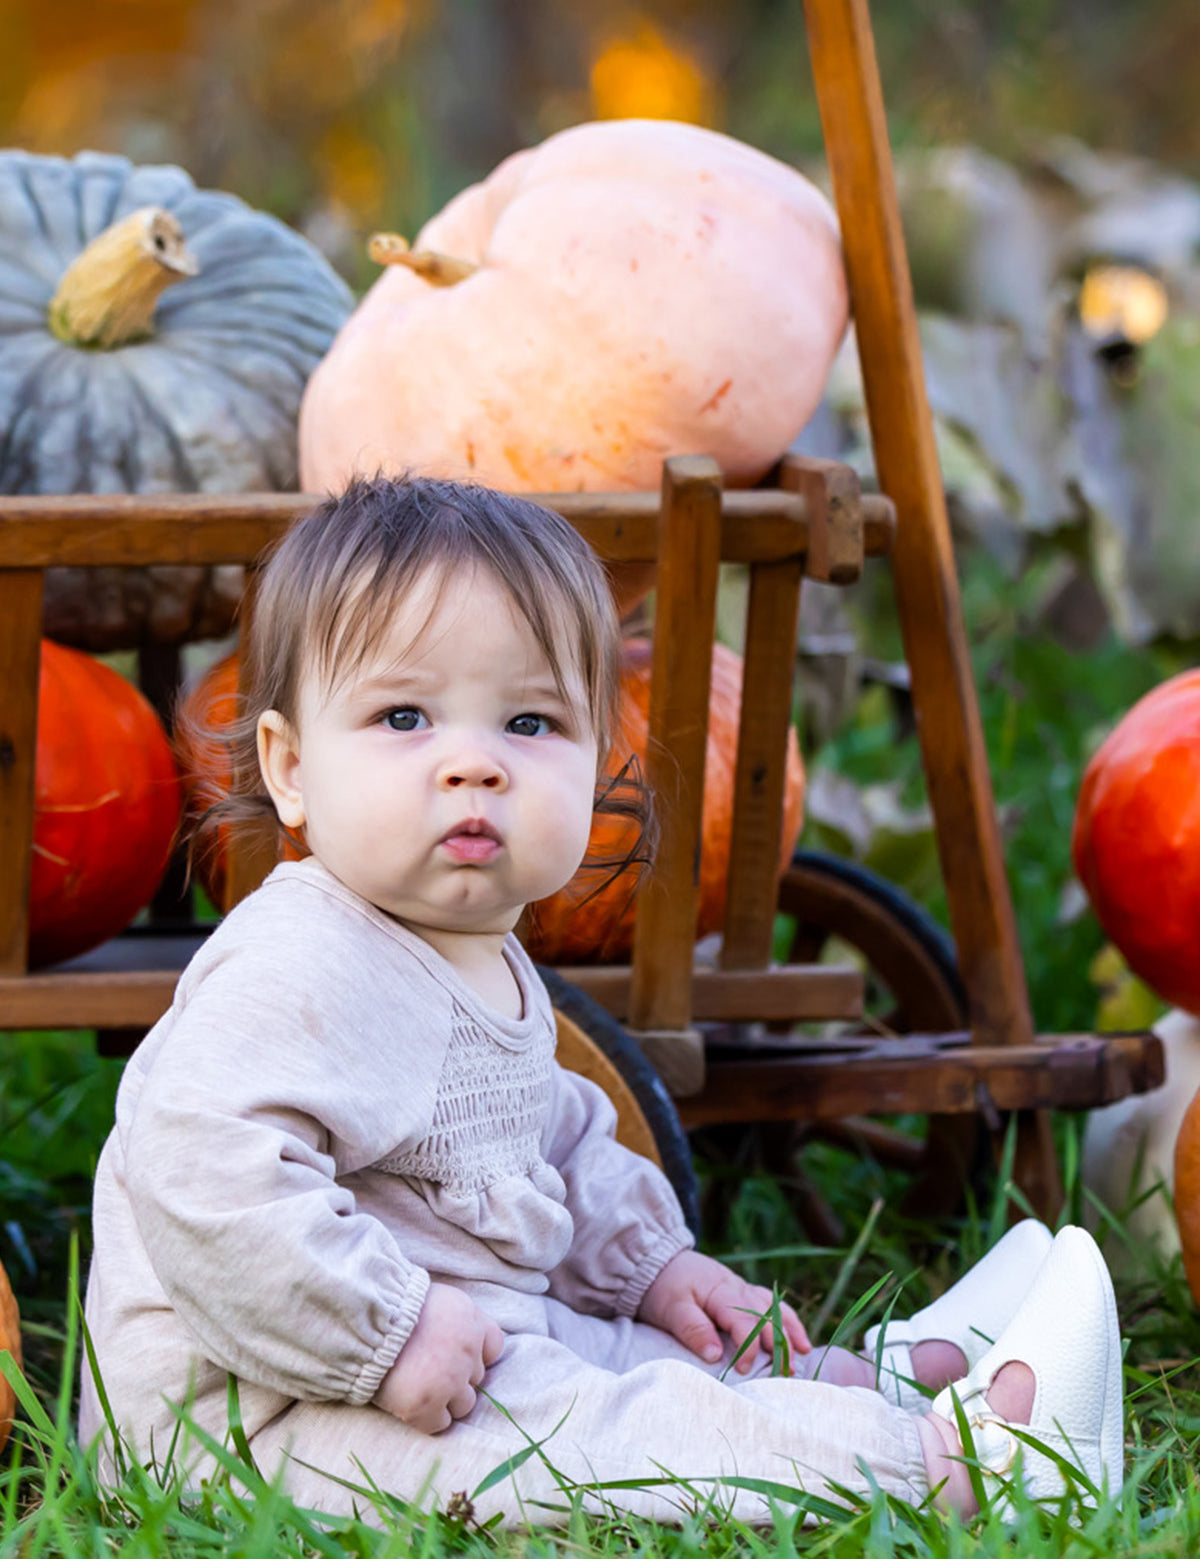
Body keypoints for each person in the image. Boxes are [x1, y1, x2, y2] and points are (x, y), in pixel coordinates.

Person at [80, 476, 1124, 1527]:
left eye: (529, 721)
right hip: (259, 1415)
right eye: (404, 715)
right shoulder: (299, 958)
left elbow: (557, 1132)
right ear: (291, 769)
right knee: (600, 1431)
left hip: (460, 1335)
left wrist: (653, 1266)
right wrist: (383, 1330)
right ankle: (951, 1462)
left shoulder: (472, 946)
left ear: (597, 762)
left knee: (636, 1360)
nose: (473, 763)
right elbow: (205, 1172)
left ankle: (862, 1384)